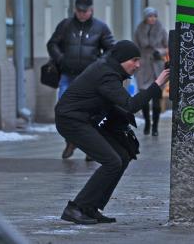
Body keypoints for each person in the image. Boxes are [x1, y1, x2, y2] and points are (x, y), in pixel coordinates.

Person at [55, 40, 169, 224]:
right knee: (111, 161)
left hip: (86, 119)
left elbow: (113, 103)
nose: (138, 65)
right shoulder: (106, 74)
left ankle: (91, 208)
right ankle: (75, 208)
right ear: (121, 59)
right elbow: (130, 105)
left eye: (139, 60)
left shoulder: (111, 70)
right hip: (72, 121)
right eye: (134, 60)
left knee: (122, 155)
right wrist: (157, 85)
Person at [47, 0, 115, 160]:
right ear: (75, 10)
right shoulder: (66, 25)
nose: (82, 14)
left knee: (90, 112)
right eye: (79, 10)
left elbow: (111, 49)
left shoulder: (100, 27)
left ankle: (90, 148)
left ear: (91, 10)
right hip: (68, 75)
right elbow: (52, 44)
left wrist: (99, 63)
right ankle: (70, 141)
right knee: (64, 110)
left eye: (85, 11)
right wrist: (61, 59)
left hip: (90, 78)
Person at [133, 7, 168, 136]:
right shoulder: (139, 30)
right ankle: (147, 122)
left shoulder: (161, 29)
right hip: (143, 67)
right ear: (145, 17)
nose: (152, 18)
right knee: (144, 98)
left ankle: (155, 127)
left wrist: (160, 52)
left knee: (157, 98)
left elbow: (167, 46)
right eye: (150, 16)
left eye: (154, 16)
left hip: (157, 66)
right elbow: (134, 48)